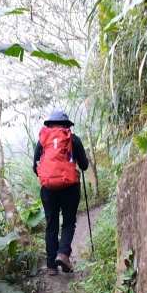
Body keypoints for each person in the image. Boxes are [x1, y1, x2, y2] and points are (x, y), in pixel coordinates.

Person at [33, 110, 89, 275]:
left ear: (49, 125)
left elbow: (35, 167)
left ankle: (51, 266)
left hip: (48, 189)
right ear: (66, 125)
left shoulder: (42, 141)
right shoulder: (73, 139)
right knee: (69, 222)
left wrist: (48, 177)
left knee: (51, 226)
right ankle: (63, 254)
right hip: (69, 187)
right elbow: (84, 166)